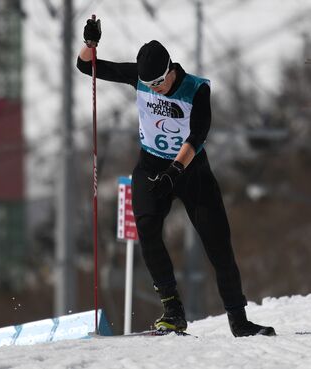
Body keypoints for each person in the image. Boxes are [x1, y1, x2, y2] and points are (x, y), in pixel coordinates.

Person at [77, 18, 275, 337]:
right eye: (149, 85)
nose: (155, 89)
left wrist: (176, 170)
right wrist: (90, 44)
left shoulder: (197, 88)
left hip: (190, 171)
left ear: (170, 70)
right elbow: (87, 67)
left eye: (159, 83)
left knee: (218, 244)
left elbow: (198, 135)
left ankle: (239, 320)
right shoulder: (141, 79)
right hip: (151, 167)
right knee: (146, 227)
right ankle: (173, 311)